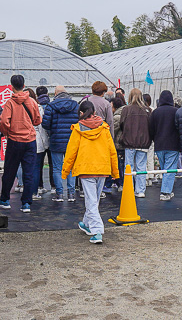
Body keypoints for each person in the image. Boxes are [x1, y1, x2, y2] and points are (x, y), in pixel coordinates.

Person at [62, 100, 119, 244]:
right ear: (94, 112)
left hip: (85, 169)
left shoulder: (77, 129)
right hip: (103, 168)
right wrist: (115, 172)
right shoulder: (104, 128)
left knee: (92, 200)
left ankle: (97, 231)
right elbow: (112, 151)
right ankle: (87, 224)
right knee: (94, 200)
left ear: (81, 113)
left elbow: (71, 152)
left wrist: (65, 171)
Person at [0, 74, 42, 213]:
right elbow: (38, 120)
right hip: (30, 141)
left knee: (10, 171)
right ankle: (26, 203)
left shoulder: (10, 103)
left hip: (14, 141)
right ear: (24, 85)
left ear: (12, 86)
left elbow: (4, 121)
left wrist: (6, 132)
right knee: (29, 172)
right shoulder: (32, 101)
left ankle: (5, 200)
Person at [42, 85, 80, 201]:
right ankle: (71, 194)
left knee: (57, 168)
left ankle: (59, 194)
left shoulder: (51, 106)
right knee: (71, 167)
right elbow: (79, 122)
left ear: (55, 93)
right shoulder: (75, 105)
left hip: (56, 141)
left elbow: (45, 124)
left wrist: (53, 130)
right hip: (72, 141)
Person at [118, 88, 152, 197]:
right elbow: (151, 126)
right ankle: (140, 190)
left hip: (129, 141)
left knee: (129, 166)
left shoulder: (126, 109)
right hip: (144, 142)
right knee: (141, 167)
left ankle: (129, 189)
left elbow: (122, 124)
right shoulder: (147, 110)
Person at [149, 90, 180, 200]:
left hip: (159, 144)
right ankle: (165, 192)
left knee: (164, 168)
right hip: (173, 144)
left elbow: (151, 129)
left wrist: (155, 139)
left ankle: (167, 190)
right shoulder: (176, 111)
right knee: (170, 169)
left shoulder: (155, 112)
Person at [35, 85, 56, 192]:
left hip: (38, 139)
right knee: (53, 164)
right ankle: (54, 187)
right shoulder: (52, 106)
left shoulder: (34, 107)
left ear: (36, 95)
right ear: (47, 94)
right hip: (52, 138)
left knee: (38, 164)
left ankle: (39, 186)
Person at [109, 95, 127, 192]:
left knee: (119, 165)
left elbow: (112, 131)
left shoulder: (117, 117)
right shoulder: (125, 113)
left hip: (118, 144)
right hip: (124, 143)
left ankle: (121, 183)